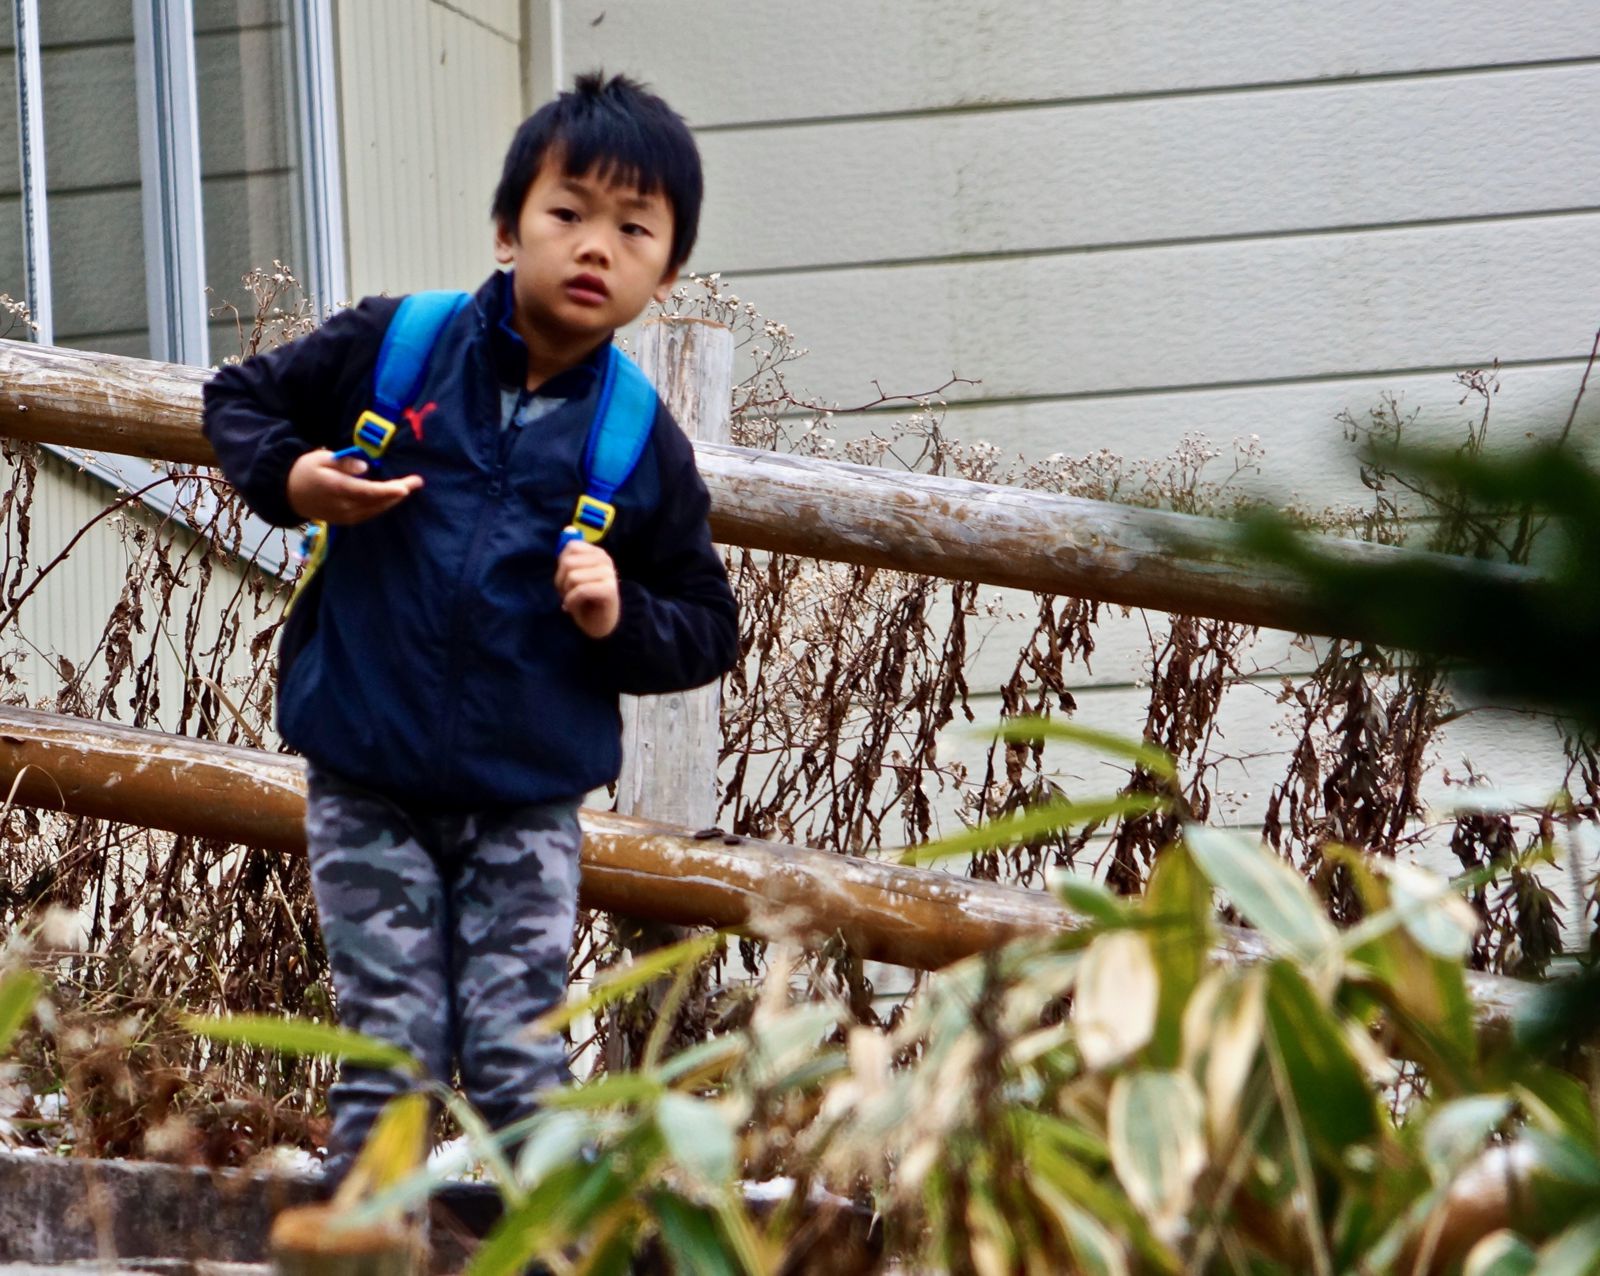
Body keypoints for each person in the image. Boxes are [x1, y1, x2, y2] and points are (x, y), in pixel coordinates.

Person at [202, 72, 739, 1180]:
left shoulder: (638, 439)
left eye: (633, 229)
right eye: (568, 212)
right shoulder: (399, 348)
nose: (597, 246)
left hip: (525, 805)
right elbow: (237, 399)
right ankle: (370, 1251)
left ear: (667, 271)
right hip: (368, 774)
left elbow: (705, 624)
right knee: (385, 1049)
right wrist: (296, 480)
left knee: (511, 1063)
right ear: (509, 228)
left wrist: (616, 613)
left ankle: (543, 1249)